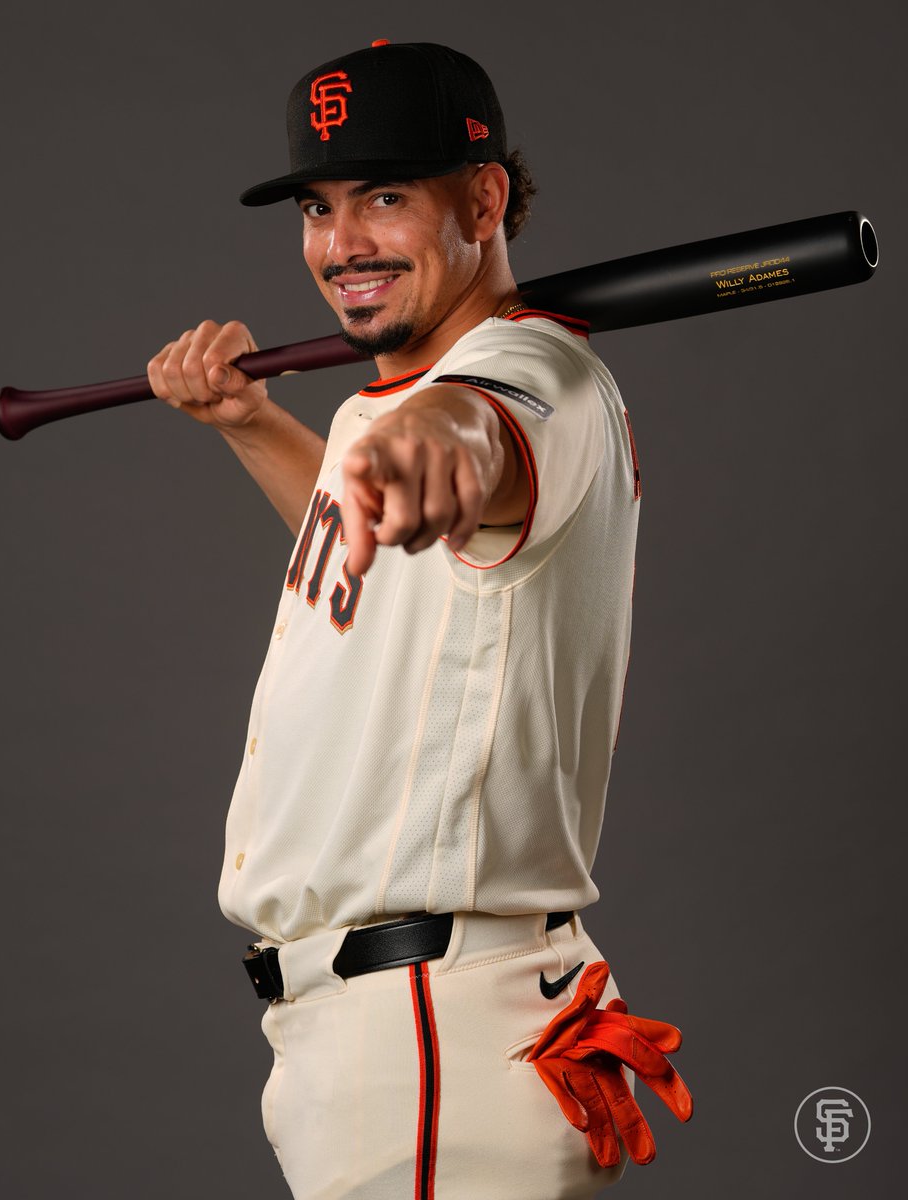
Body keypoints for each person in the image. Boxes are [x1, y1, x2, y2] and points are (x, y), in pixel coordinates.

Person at [147, 39, 688, 1200]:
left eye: (384, 197)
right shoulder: (387, 403)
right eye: (318, 207)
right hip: (405, 1031)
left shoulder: (530, 378)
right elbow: (387, 545)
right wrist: (253, 423)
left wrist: (437, 439)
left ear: (483, 201)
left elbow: (478, 430)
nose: (341, 244)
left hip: (433, 1036)